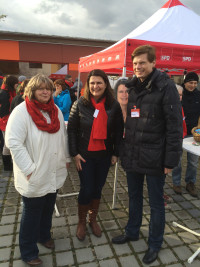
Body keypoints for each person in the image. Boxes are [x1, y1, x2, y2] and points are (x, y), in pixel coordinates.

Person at [112, 45, 182, 265]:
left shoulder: (166, 87)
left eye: (142, 62)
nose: (138, 67)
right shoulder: (132, 87)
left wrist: (170, 160)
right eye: (134, 64)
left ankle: (155, 243)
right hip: (133, 154)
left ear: (153, 63)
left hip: (155, 157)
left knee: (155, 203)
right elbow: (129, 121)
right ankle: (132, 231)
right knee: (133, 197)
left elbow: (175, 127)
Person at [5, 74, 71, 266]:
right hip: (33, 172)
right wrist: (29, 169)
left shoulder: (56, 110)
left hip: (53, 169)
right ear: (31, 91)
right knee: (32, 212)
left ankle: (44, 236)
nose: (45, 91)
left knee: (48, 206)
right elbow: (13, 143)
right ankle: (28, 251)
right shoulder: (21, 112)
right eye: (41, 88)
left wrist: (66, 158)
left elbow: (63, 137)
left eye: (48, 88)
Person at [68, 69, 124, 241]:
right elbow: (71, 130)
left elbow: (118, 130)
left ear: (106, 84)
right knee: (87, 188)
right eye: (92, 82)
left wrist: (116, 153)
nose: (95, 86)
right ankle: (82, 222)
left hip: (104, 156)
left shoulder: (113, 105)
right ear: (88, 85)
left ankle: (93, 220)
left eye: (99, 82)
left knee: (98, 188)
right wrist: (74, 153)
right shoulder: (80, 104)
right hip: (84, 156)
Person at [172, 72, 200, 197]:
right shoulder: (178, 93)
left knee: (193, 161)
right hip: (179, 132)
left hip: (194, 134)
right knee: (177, 160)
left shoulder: (198, 95)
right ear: (185, 82)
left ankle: (190, 182)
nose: (192, 85)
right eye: (190, 82)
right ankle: (176, 182)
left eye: (195, 83)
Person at [0, 75, 18, 171]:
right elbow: (3, 111)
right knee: (7, 144)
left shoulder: (9, 92)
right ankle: (7, 166)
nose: (17, 85)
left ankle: (8, 164)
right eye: (16, 83)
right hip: (5, 122)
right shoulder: (4, 94)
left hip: (8, 121)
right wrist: (8, 123)